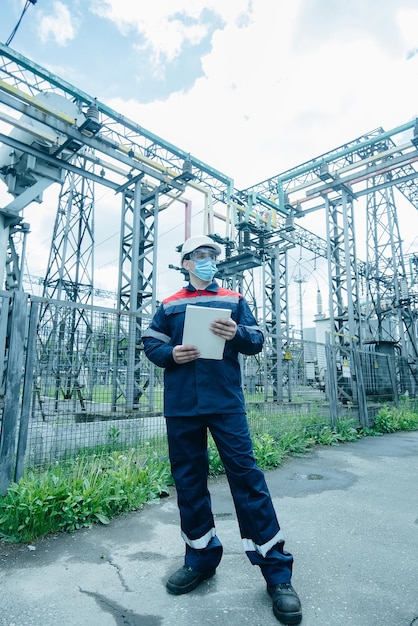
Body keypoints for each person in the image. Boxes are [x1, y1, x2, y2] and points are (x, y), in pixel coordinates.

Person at [142, 235, 302, 625]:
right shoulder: (169, 304)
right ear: (185, 263)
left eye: (212, 255)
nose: (207, 260)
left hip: (225, 403)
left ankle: (277, 575)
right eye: (199, 255)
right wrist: (171, 355)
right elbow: (150, 343)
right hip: (182, 406)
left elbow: (257, 339)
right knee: (189, 482)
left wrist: (238, 334)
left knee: (247, 479)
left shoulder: (233, 299)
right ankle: (199, 559)